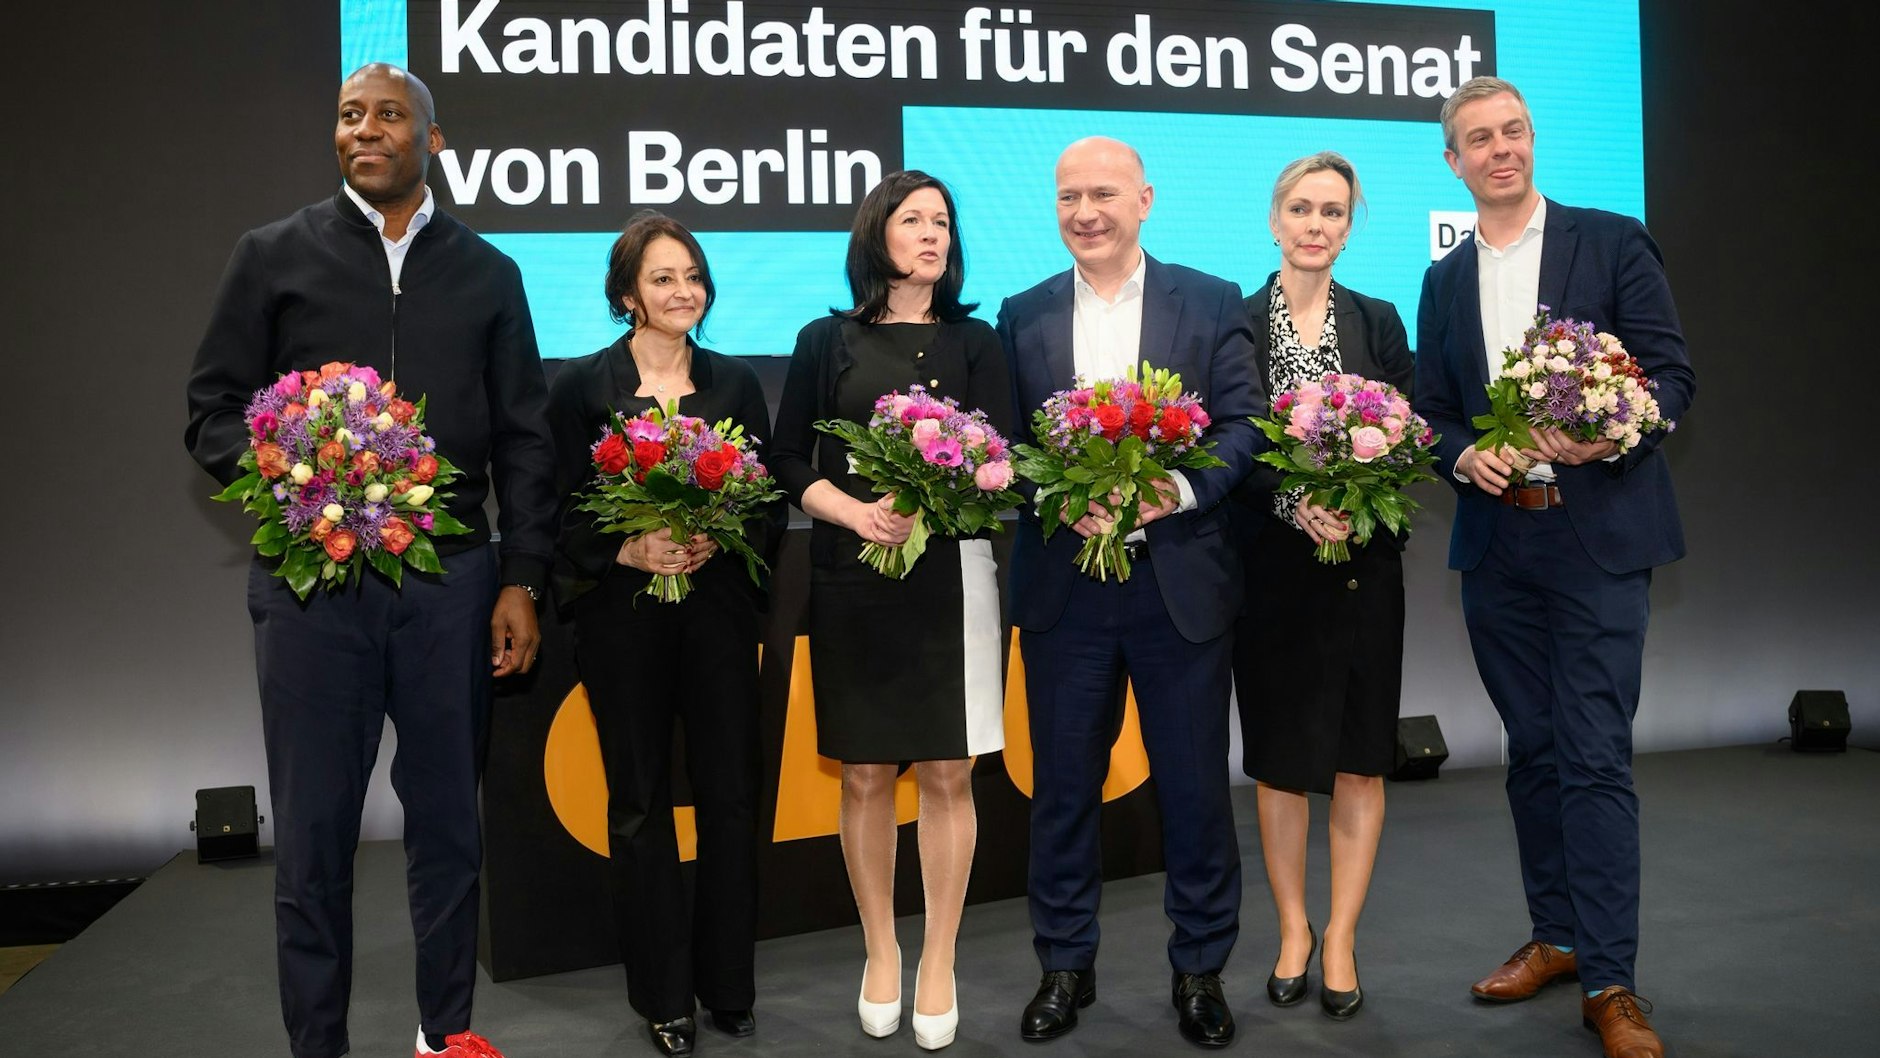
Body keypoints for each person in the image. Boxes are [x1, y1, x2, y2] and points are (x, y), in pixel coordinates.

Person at [183, 63, 556, 1058]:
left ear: (431, 140)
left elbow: (524, 437)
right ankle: (319, 1044)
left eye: (388, 116)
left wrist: (521, 576)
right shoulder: (269, 256)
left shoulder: (489, 272)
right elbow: (212, 411)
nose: (364, 130)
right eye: (349, 116)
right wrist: (295, 472)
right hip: (315, 586)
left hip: (450, 582)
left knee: (447, 827)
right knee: (312, 836)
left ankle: (446, 1035)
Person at [1413, 76, 1695, 1058]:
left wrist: (1603, 431)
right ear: (1451, 161)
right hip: (1498, 545)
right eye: (1479, 139)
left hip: (1596, 538)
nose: (1502, 149)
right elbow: (1431, 406)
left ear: (1530, 140)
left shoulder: (1609, 240)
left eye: (1514, 131)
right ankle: (1558, 935)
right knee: (1529, 750)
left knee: (1590, 753)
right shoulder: (1443, 279)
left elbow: (1669, 377)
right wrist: (1459, 452)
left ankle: (1612, 982)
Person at [997, 136, 1264, 1049]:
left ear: (1145, 198)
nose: (1085, 212)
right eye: (1069, 195)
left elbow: (1243, 428)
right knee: (1063, 794)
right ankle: (1064, 968)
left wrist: (1174, 490)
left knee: (1193, 794)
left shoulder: (1212, 299)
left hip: (1178, 586)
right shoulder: (1021, 313)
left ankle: (1200, 973)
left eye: (1103, 193)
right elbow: (1004, 447)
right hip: (1066, 592)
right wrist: (1058, 495)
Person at [769, 170, 1012, 1052]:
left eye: (943, 221)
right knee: (867, 772)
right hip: (853, 573)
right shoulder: (823, 340)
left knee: (949, 772)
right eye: (913, 219)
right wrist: (855, 511)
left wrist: (946, 494)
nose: (932, 234)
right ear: (877, 235)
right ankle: (880, 949)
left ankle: (938, 958)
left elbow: (1007, 455)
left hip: (951, 576)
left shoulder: (977, 341)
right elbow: (788, 456)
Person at [546, 211, 779, 1058]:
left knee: (730, 797)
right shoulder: (581, 388)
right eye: (662, 279)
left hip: (716, 616)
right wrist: (623, 545)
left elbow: (766, 496)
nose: (683, 291)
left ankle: (728, 986)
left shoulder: (736, 384)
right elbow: (554, 505)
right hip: (623, 621)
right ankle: (663, 994)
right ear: (626, 295)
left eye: (693, 276)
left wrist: (722, 531)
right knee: (640, 804)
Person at [1230, 151, 1412, 1022]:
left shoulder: (1379, 321)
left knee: (1358, 759)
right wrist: (1296, 503)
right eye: (1301, 209)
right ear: (1275, 220)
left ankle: (1341, 933)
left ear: (1349, 226)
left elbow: (1409, 435)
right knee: (1278, 763)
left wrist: (1358, 498)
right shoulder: (1232, 324)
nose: (1315, 225)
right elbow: (1226, 445)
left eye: (1333, 212)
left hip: (1363, 573)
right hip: (1269, 571)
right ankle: (1293, 929)